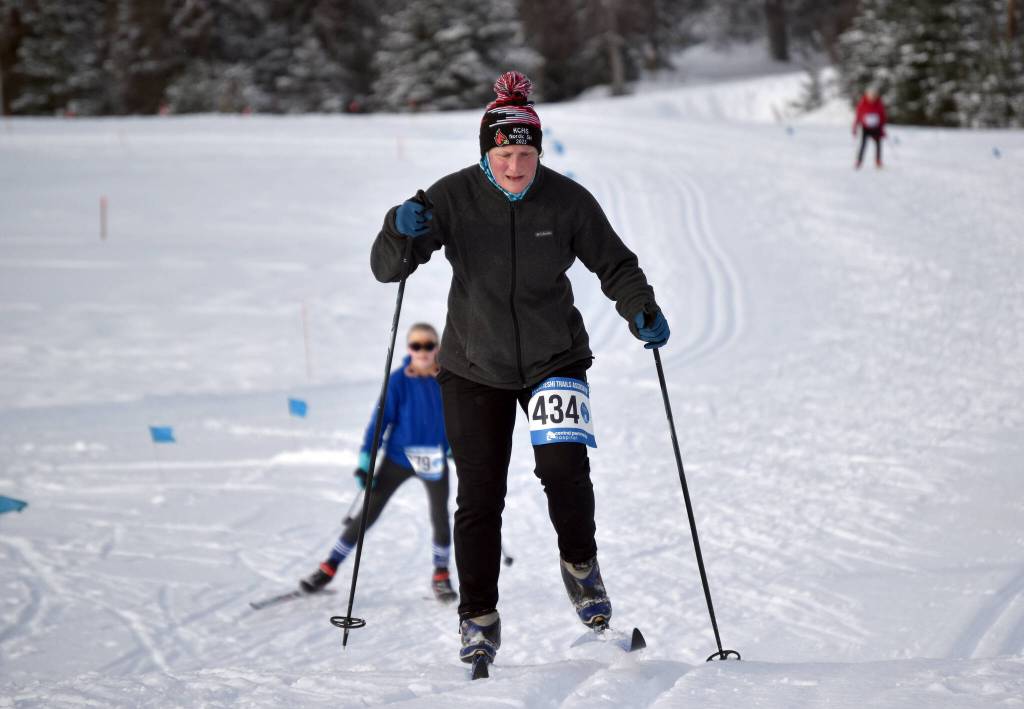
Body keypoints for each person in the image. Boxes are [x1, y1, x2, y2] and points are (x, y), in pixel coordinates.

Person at [369, 71, 670, 668]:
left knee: (563, 469)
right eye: (504, 155)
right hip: (473, 364)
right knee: (480, 495)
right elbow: (388, 269)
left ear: (539, 150)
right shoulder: (450, 197)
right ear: (487, 153)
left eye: (525, 154)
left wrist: (641, 307)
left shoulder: (566, 200)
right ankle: (477, 616)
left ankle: (581, 566)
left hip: (554, 355)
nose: (515, 167)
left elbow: (616, 264)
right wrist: (396, 228)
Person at [299, 323, 456, 604]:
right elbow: (379, 422)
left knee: (440, 517)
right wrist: (365, 461)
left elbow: (458, 419)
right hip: (398, 457)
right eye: (416, 345)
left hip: (432, 458)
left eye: (428, 345)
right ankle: (329, 566)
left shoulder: (447, 380)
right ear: (409, 349)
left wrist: (457, 448)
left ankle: (441, 574)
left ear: (438, 348)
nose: (422, 351)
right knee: (367, 514)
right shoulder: (397, 381)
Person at [853, 86, 887, 169]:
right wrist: (855, 127)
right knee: (863, 145)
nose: (872, 97)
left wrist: (882, 128)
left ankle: (878, 161)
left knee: (878, 145)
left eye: (874, 95)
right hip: (866, 127)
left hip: (876, 127)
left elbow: (883, 116)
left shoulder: (879, 104)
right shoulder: (862, 103)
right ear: (867, 95)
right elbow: (857, 116)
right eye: (871, 95)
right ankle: (859, 161)